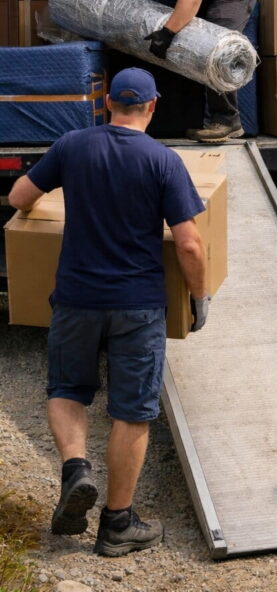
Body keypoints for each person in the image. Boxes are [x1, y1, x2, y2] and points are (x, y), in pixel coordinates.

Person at [8, 67, 210, 557]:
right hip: (136, 305)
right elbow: (189, 245)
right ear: (152, 107)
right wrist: (199, 299)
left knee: (67, 389)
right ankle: (117, 524)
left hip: (76, 297)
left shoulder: (72, 145)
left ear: (105, 104)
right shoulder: (163, 160)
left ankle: (76, 468)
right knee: (132, 411)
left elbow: (17, 198)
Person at [113, 0, 257, 143]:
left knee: (217, 49)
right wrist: (110, 19)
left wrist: (166, 34)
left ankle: (228, 121)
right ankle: (199, 117)